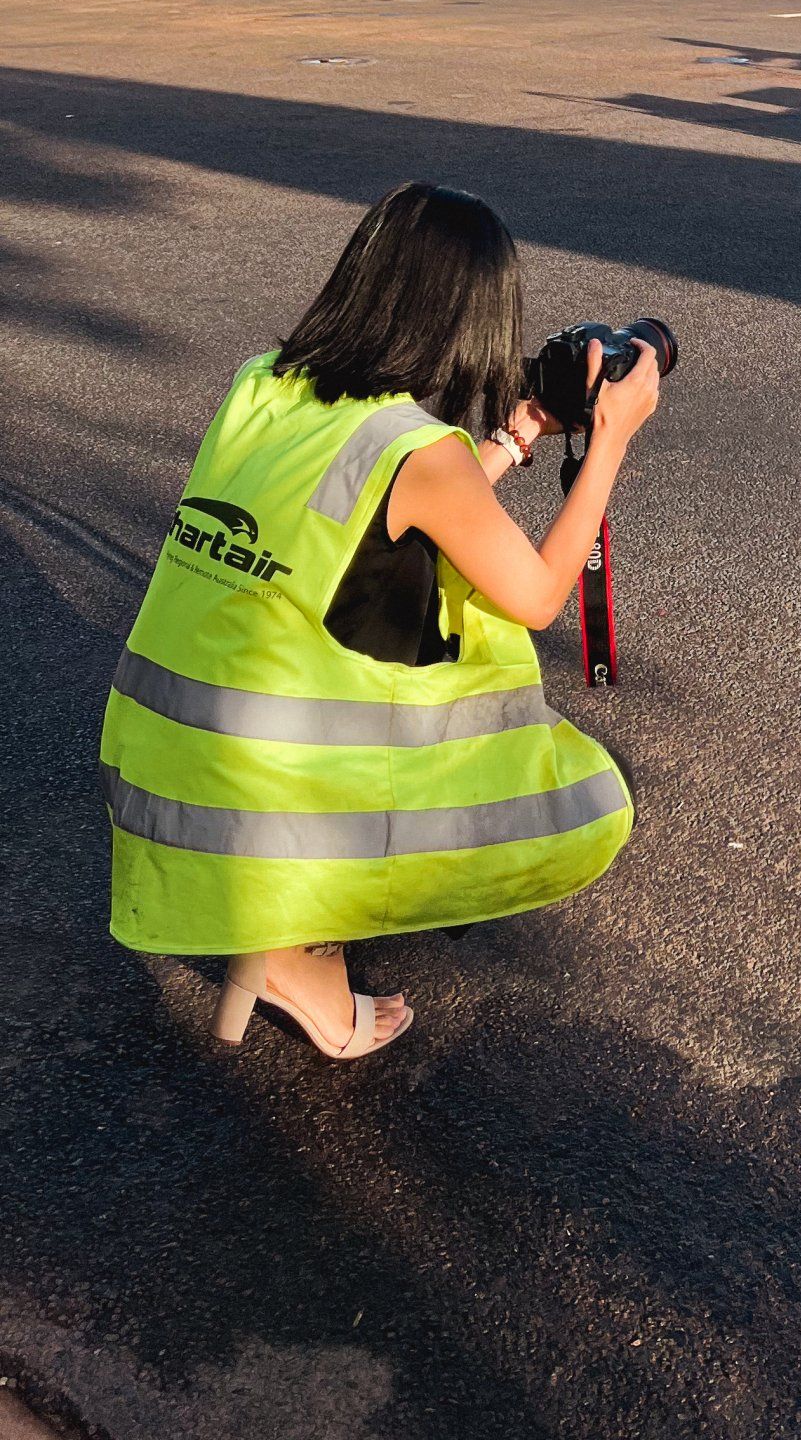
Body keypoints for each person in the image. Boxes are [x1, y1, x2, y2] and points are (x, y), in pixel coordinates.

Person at [100, 182, 659, 1061]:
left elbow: (373, 511)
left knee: (370, 617)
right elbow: (542, 594)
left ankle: (283, 933)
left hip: (161, 769)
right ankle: (300, 941)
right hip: (271, 791)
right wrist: (614, 437)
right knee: (590, 794)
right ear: (466, 319)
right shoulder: (422, 454)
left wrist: (512, 442)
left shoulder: (262, 383)